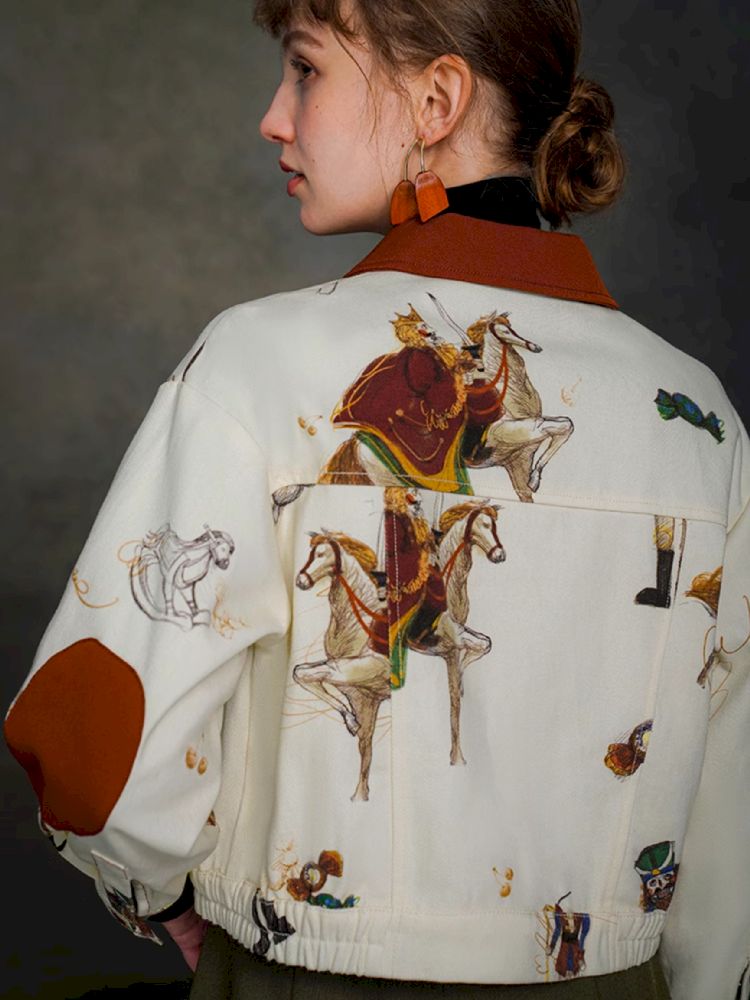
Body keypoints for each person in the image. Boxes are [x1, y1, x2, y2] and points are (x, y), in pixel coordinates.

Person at [4, 1, 749, 999]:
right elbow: (734, 833)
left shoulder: (257, 366)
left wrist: (164, 899)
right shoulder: (703, 423)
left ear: (437, 100)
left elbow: (91, 746)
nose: (274, 116)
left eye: (306, 69)